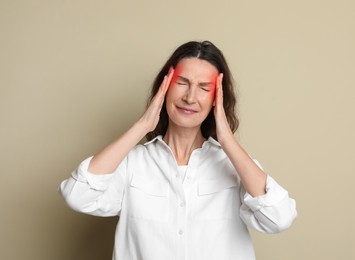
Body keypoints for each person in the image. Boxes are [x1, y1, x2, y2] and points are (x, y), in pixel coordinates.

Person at [59, 40, 297, 260]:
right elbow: (78, 195)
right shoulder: (133, 164)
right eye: (182, 83)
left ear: (217, 98)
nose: (190, 97)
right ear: (165, 87)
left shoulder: (233, 165)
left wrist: (226, 140)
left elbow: (278, 218)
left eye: (204, 88)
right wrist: (142, 126)